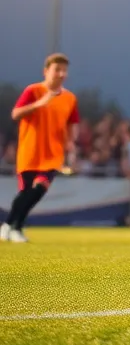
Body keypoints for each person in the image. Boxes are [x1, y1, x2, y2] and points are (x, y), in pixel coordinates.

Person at [2, 54, 79, 243]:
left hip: (53, 154)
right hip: (31, 151)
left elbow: (72, 123)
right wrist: (38, 104)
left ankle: (15, 227)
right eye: (57, 69)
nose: (61, 74)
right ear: (46, 71)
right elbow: (16, 113)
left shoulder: (69, 98)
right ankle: (10, 226)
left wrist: (71, 143)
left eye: (64, 70)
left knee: (39, 190)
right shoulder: (33, 91)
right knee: (26, 192)